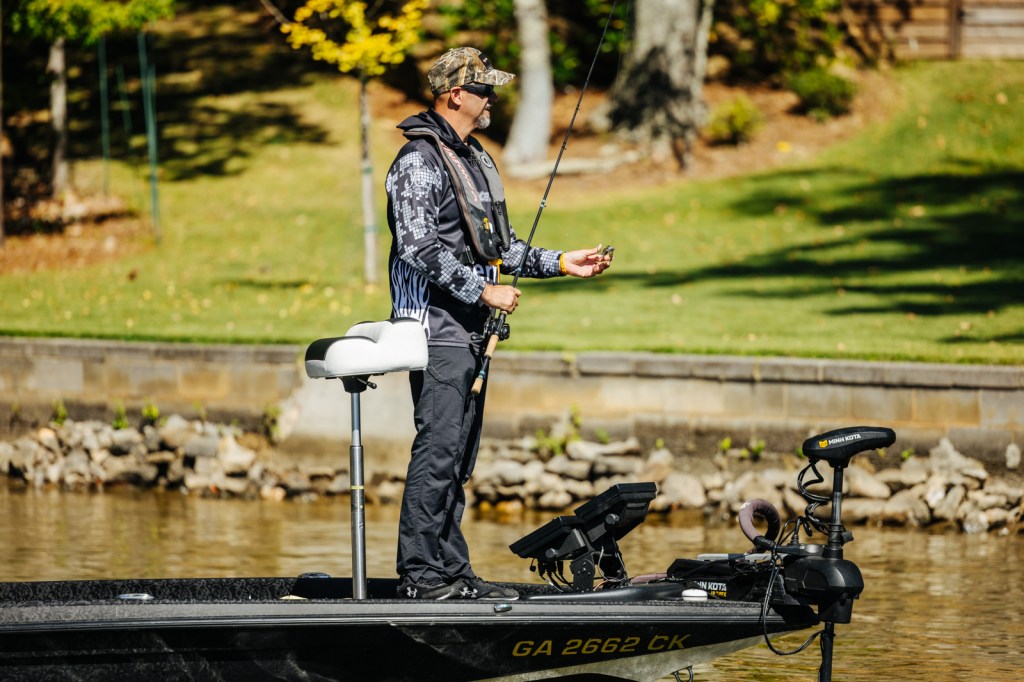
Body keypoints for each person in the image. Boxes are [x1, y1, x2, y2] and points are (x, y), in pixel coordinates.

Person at [385, 47, 613, 601]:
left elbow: (500, 247)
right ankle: (420, 576)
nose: (492, 99)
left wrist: (562, 263)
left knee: (459, 459)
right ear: (454, 95)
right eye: (484, 90)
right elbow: (417, 246)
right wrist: (482, 289)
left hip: (472, 331)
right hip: (435, 328)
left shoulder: (473, 157)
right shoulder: (417, 159)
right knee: (438, 452)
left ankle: (452, 572)